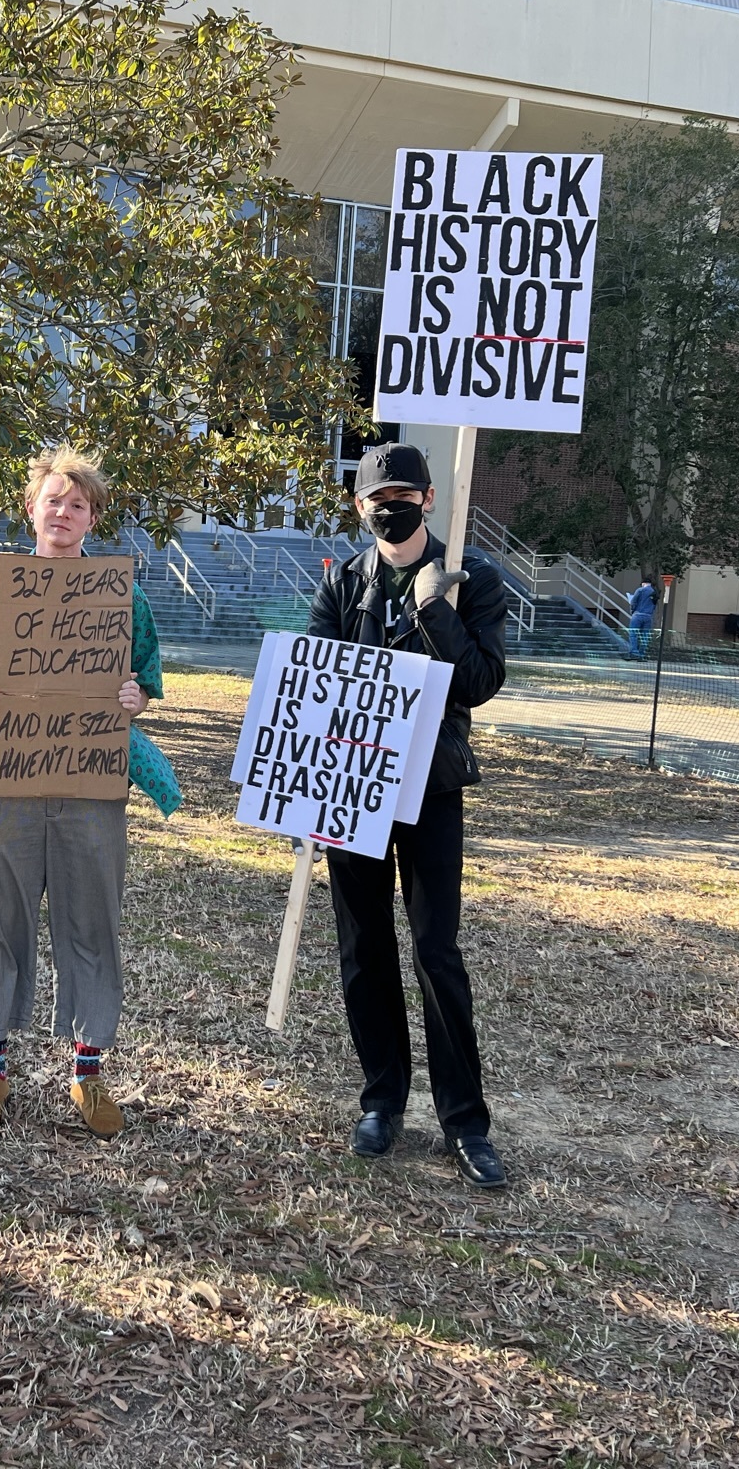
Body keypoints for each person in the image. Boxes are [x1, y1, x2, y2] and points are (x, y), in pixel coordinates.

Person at [0, 449, 181, 1139]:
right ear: (31, 509)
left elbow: (143, 684)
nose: (64, 512)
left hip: (89, 775)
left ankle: (88, 1072)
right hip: (11, 770)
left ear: (93, 519)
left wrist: (135, 697)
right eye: (54, 499)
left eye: (78, 504)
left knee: (92, 916)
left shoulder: (122, 598)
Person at [307, 442, 509, 1189]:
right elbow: (318, 679)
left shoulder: (474, 580)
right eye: (374, 497)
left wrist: (433, 610)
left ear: (427, 500)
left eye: (402, 494)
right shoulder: (344, 582)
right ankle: (382, 1101)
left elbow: (482, 682)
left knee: (435, 952)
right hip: (354, 785)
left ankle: (465, 1121)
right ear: (360, 508)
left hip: (431, 787)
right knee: (364, 951)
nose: (387, 506)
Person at [628, 579, 657, 657]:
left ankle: (634, 652)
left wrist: (632, 611)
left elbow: (633, 602)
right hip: (648, 616)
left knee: (633, 634)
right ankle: (642, 653)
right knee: (645, 635)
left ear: (643, 583)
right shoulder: (655, 592)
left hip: (638, 614)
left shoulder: (640, 590)